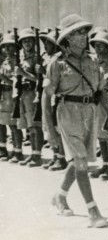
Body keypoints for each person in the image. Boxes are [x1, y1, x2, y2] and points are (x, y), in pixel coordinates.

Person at [45, 14, 108, 228]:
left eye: (83, 32)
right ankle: (93, 210)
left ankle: (60, 197)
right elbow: (47, 96)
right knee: (80, 160)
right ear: (67, 38)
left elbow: (100, 90)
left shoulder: (92, 61)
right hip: (68, 113)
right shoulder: (58, 63)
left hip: (90, 113)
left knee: (78, 160)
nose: (82, 36)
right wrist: (50, 131)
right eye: (76, 33)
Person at [89, 31, 108, 181]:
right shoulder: (94, 61)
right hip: (97, 99)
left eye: (102, 45)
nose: (98, 48)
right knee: (100, 134)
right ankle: (105, 164)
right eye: (96, 45)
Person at [39, 29, 68, 171]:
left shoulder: (60, 60)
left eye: (48, 43)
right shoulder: (47, 58)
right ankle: (56, 155)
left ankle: (61, 158)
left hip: (57, 98)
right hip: (48, 97)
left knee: (57, 128)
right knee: (49, 127)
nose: (45, 46)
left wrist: (42, 72)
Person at [16, 28, 44, 167]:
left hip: (32, 93)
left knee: (35, 126)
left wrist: (23, 74)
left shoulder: (36, 58)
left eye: (29, 40)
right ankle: (33, 153)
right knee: (29, 126)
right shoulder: (21, 58)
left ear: (34, 42)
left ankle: (37, 155)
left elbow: (38, 79)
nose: (27, 43)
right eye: (24, 41)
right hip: (23, 94)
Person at [0, 33, 23, 162]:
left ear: (15, 48)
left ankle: (17, 151)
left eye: (10, 46)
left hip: (12, 95)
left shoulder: (17, 62)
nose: (7, 49)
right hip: (3, 95)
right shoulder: (5, 62)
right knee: (1, 124)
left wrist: (3, 78)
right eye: (5, 47)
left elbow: (15, 82)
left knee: (14, 125)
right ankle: (3, 149)